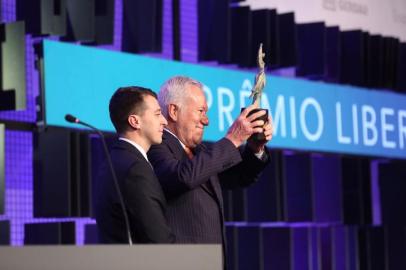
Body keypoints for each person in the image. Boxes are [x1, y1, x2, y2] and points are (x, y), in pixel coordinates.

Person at [147, 76, 273, 260]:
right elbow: (182, 177)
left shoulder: (201, 152)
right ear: (174, 111)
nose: (206, 121)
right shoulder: (156, 146)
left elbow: (239, 176)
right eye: (200, 111)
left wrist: (255, 148)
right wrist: (232, 139)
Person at [95, 86, 175, 244]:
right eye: (157, 114)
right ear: (135, 121)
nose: (164, 121)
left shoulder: (116, 160)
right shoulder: (135, 170)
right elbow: (158, 239)